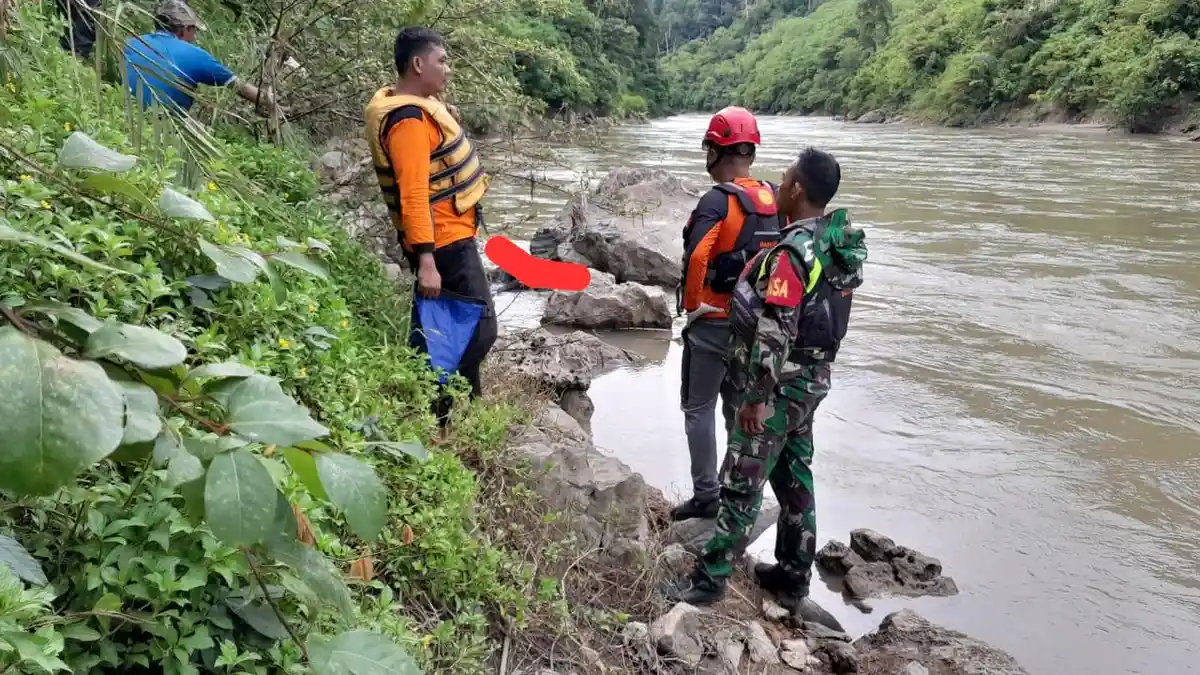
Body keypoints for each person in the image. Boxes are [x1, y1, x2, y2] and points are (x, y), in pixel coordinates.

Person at [663, 147, 868, 613]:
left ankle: (709, 581)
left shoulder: (793, 254)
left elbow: (777, 330)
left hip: (779, 385)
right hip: (814, 378)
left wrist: (756, 398)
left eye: (785, 174)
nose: (778, 179)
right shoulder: (835, 245)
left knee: (742, 479)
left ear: (797, 189)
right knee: (795, 475)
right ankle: (793, 577)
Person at [363, 26, 496, 424]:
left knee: (445, 328)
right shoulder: (407, 121)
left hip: (450, 237)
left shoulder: (417, 107)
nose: (448, 70)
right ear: (418, 64)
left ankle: (456, 413)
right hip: (442, 243)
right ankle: (433, 405)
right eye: (442, 61)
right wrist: (426, 260)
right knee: (477, 330)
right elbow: (414, 193)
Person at [672, 107, 782, 522]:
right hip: (754, 328)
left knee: (698, 407)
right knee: (737, 408)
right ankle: (734, 489)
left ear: (715, 150)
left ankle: (706, 495)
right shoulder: (773, 196)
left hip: (714, 321)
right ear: (750, 151)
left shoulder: (716, 200)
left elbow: (699, 255)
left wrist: (692, 306)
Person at [123, 1, 279, 116]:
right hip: (165, 124)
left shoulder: (131, 43)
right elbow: (240, 87)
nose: (195, 37)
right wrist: (270, 101)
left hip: (127, 114)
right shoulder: (195, 54)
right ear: (185, 29)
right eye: (194, 30)